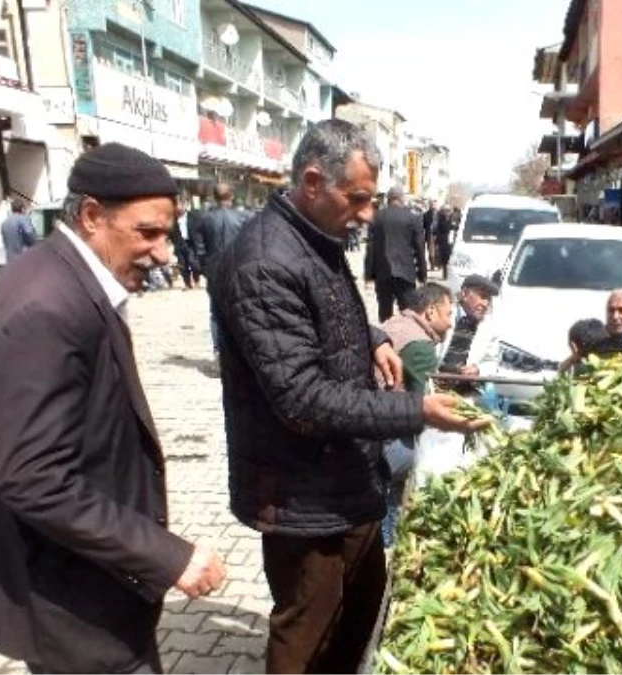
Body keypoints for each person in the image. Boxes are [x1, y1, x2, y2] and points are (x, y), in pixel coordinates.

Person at [0, 143, 227, 674]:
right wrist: (166, 555)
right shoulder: (48, 305)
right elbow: (34, 478)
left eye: (167, 234)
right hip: (76, 603)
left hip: (87, 582)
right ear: (91, 217)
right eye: (147, 232)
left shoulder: (54, 275)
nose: (165, 253)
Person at [210, 119, 489, 674]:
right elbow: (303, 399)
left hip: (348, 475)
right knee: (309, 629)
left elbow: (335, 308)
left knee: (361, 609)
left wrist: (375, 338)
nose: (367, 214)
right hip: (299, 493)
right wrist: (416, 409)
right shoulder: (264, 262)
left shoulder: (318, 235)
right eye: (357, 198)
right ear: (313, 181)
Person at [376, 283, 456, 547]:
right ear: (431, 312)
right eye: (449, 314)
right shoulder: (419, 344)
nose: (451, 323)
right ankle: (388, 527)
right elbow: (429, 400)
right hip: (378, 442)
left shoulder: (399, 322)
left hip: (370, 423)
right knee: (426, 457)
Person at [192, 183, 247, 355]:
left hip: (214, 271)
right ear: (232, 195)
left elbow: (199, 249)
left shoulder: (204, 219)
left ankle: (218, 351)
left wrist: (202, 269)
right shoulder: (244, 217)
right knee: (241, 310)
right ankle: (239, 349)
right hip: (239, 269)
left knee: (216, 312)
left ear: (213, 197)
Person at [364, 186, 427, 322]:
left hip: (383, 272)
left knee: (385, 313)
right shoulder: (412, 217)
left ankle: (387, 340)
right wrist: (422, 272)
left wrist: (368, 273)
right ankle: (407, 341)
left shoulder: (376, 217)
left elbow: (371, 247)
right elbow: (419, 247)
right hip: (405, 273)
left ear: (388, 199)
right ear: (401, 198)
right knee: (409, 313)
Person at [438, 274, 499, 379]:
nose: (485, 303)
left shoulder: (489, 327)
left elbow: (492, 362)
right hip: (434, 379)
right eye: (482, 296)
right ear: (465, 294)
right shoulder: (445, 313)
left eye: (489, 299)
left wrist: (478, 370)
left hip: (466, 386)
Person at [169, 196, 201, 289]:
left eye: (179, 206)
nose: (177, 208)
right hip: (179, 244)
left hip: (191, 243)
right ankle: (187, 284)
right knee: (182, 265)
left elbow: (198, 229)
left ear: (184, 206)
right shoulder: (173, 220)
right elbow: (169, 232)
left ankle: (196, 281)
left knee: (193, 263)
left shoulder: (193, 217)